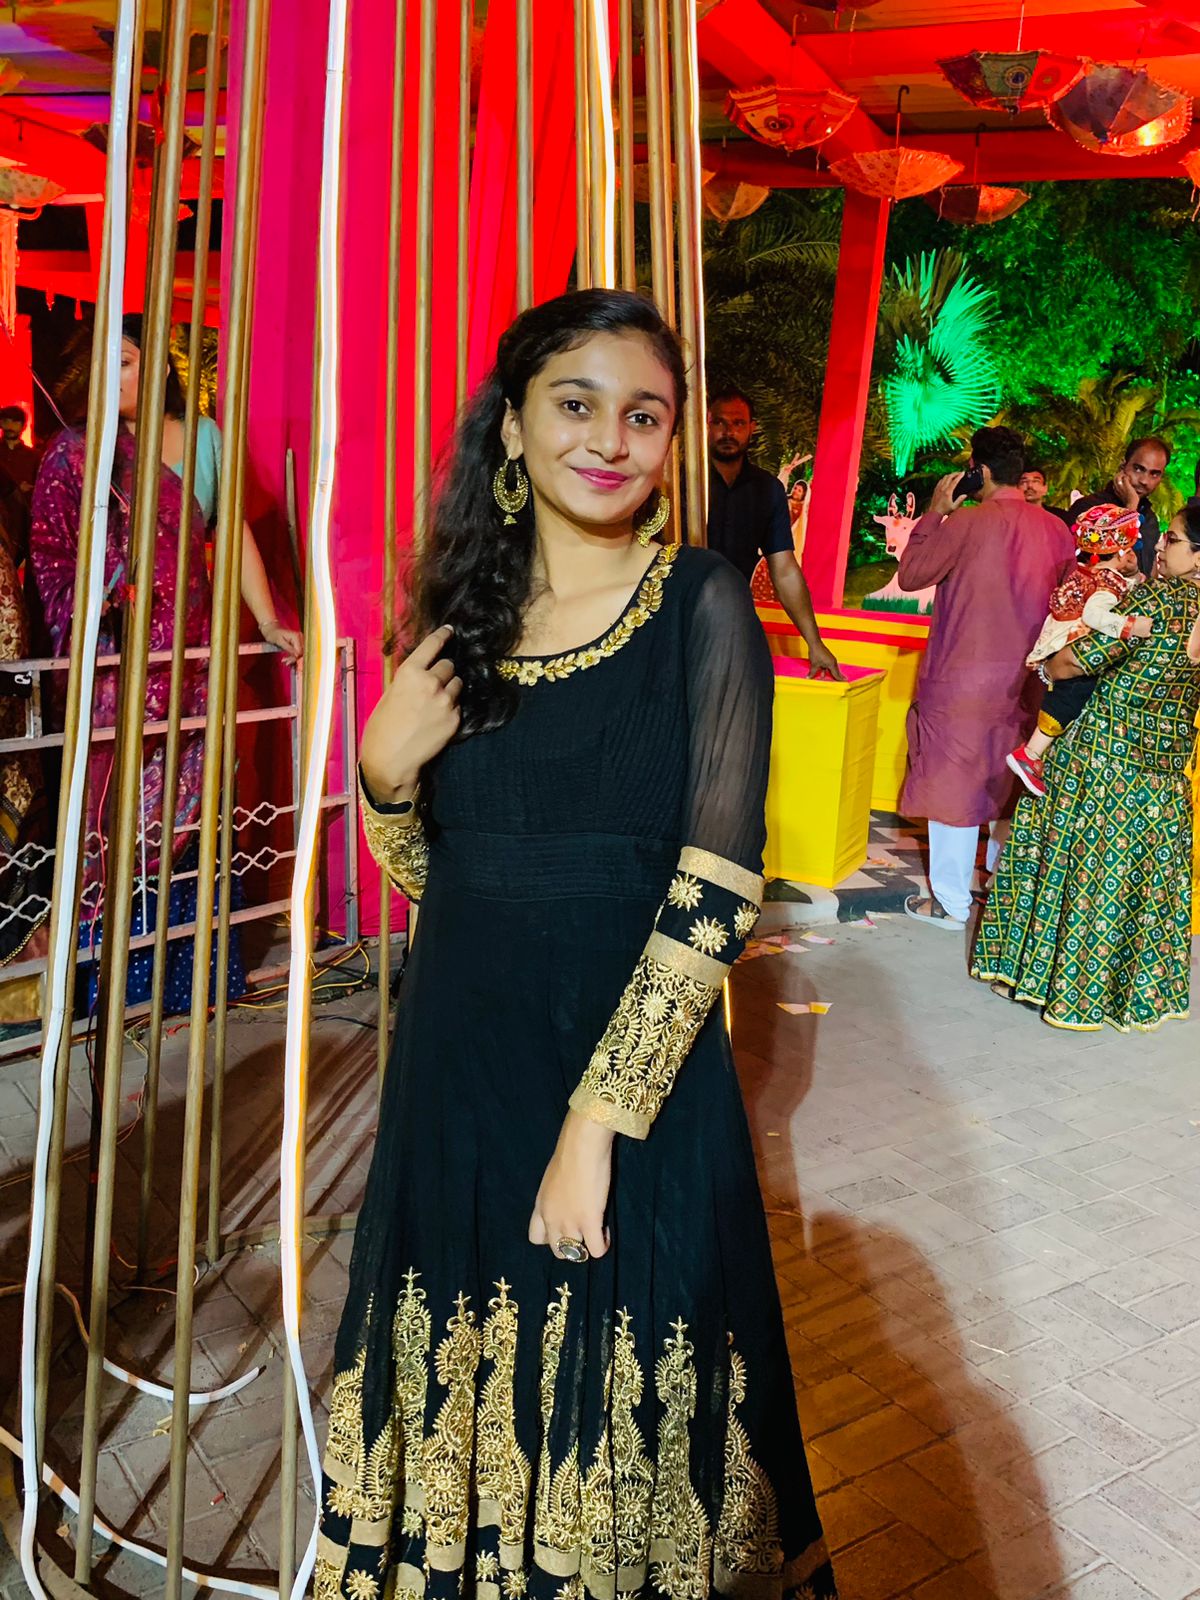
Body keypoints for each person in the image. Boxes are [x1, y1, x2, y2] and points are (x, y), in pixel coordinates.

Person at [318, 290, 837, 1600]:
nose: (609, 438)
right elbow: (444, 885)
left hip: (629, 1089)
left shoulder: (701, 605)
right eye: (575, 403)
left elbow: (715, 890)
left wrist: (595, 1124)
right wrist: (381, 780)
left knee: (624, 1439)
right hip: (462, 1076)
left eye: (643, 415)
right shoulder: (458, 628)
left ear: (671, 444)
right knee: (463, 1424)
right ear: (511, 426)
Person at [30, 316, 300, 1013]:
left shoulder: (203, 439)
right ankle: (112, 990)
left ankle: (191, 983)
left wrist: (269, 618)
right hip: (116, 673)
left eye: (125, 361)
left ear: (157, 366)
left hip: (192, 660)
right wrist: (99, 595)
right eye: (103, 364)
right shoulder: (78, 453)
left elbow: (230, 531)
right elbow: (54, 557)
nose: (112, 376)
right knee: (115, 822)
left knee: (196, 814)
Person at [974, 501, 1200, 1031]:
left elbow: (1076, 661)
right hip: (1165, 774)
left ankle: (1048, 984)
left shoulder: (1157, 600)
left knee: (1074, 868)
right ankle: (1131, 998)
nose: (1159, 545)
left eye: (1172, 539)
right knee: (1136, 882)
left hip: (1102, 761)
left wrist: (1049, 664)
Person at [897, 425, 1077, 930]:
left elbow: (911, 575)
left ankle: (951, 905)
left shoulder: (966, 522)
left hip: (961, 680)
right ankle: (1001, 895)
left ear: (980, 470)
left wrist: (936, 511)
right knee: (1011, 786)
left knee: (953, 788)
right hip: (1027, 682)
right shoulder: (1057, 531)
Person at [1007, 503, 1151, 797]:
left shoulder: (1087, 572)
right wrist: (1129, 626)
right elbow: (1093, 616)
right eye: (1131, 548)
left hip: (1061, 643)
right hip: (1073, 648)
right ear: (1121, 552)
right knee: (1068, 701)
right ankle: (1030, 754)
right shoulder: (1107, 582)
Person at [706, 387, 842, 679]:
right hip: (673, 619)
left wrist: (815, 643)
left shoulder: (767, 490)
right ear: (706, 424)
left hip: (733, 623)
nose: (728, 432)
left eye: (738, 423)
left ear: (752, 428)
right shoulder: (680, 481)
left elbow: (785, 571)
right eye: (719, 422)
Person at [1071, 436, 1171, 578]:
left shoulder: (1150, 520)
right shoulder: (1089, 509)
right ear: (1123, 466)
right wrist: (1131, 506)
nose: (1144, 480)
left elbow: (1150, 573)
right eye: (1138, 469)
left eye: (1154, 474)